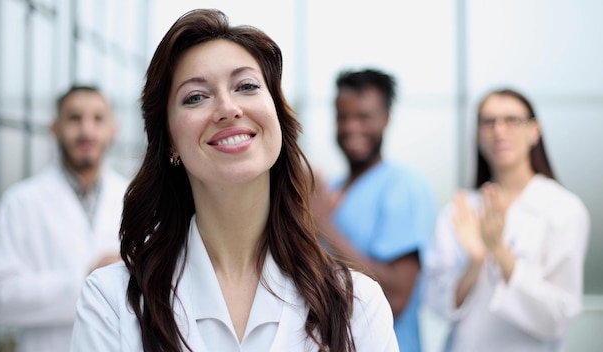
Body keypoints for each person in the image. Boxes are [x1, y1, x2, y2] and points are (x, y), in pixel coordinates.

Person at [70, 8, 399, 352]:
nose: (228, 108)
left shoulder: (356, 303)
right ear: (169, 140)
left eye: (247, 86)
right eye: (196, 96)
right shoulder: (112, 303)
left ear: (277, 118)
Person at [423, 88, 590, 352]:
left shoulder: (564, 209)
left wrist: (499, 251)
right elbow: (436, 305)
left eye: (512, 120)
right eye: (488, 122)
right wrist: (476, 261)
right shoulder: (461, 210)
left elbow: (557, 317)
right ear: (478, 135)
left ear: (534, 130)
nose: (499, 131)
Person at [0, 85, 129, 352]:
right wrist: (86, 281)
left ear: (113, 129)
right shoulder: (20, 202)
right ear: (54, 128)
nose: (87, 131)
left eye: (98, 119)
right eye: (74, 118)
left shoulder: (134, 199)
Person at [310, 68, 438, 352]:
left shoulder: (404, 187)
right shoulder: (331, 190)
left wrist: (323, 224)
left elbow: (395, 298)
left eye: (363, 117)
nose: (351, 127)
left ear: (386, 119)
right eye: (343, 117)